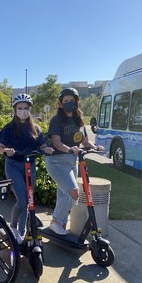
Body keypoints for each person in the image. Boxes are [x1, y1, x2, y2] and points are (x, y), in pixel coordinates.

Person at [44, 88, 104, 235]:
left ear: (77, 102)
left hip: (73, 161)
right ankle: (56, 221)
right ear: (60, 103)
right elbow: (56, 142)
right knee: (73, 193)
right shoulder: (56, 120)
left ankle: (61, 225)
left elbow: (84, 140)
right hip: (57, 161)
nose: (69, 103)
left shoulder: (79, 120)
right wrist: (70, 149)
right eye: (66, 101)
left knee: (64, 195)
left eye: (72, 101)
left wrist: (95, 147)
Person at [0, 93, 54, 244]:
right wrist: (6, 151)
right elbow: (0, 147)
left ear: (29, 109)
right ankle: (13, 226)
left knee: (29, 200)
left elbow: (41, 144)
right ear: (15, 110)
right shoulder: (9, 128)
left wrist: (46, 148)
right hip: (14, 165)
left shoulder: (35, 128)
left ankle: (21, 233)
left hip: (30, 165)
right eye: (20, 108)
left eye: (25, 108)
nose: (23, 111)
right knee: (22, 200)